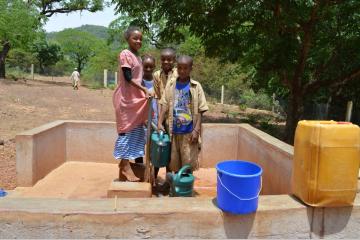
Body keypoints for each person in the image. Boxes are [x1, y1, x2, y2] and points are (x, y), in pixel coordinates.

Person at [113, 26, 154, 182]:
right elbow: (128, 77)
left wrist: (147, 91)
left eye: (140, 39)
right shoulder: (125, 54)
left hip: (136, 100)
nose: (138, 41)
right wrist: (144, 89)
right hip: (125, 100)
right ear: (127, 39)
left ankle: (128, 164)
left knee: (136, 132)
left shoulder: (138, 56)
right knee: (124, 133)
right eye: (135, 38)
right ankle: (124, 166)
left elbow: (139, 78)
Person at [158, 55, 208, 173]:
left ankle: (186, 189)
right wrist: (160, 123)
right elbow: (165, 104)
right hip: (173, 132)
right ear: (177, 68)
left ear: (191, 68)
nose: (182, 71)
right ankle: (175, 188)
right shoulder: (171, 85)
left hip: (189, 133)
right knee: (174, 164)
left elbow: (201, 110)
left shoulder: (196, 86)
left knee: (188, 165)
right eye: (180, 68)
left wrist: (196, 130)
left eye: (185, 68)